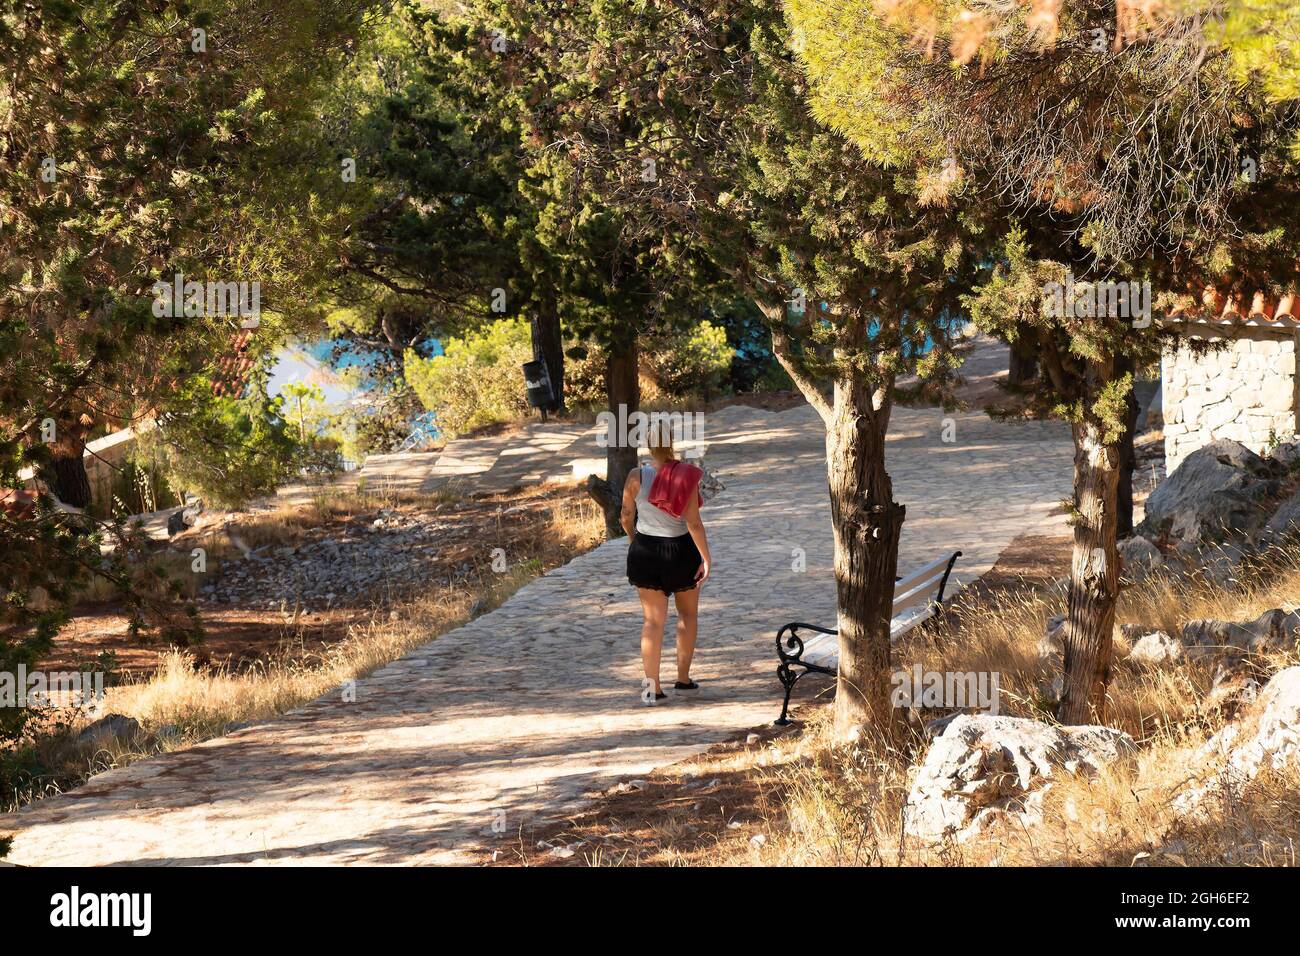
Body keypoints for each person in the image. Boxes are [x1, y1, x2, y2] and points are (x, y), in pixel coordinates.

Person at [620, 422, 711, 704]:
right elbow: (693, 522)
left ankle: (652, 688)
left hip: (645, 551)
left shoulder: (636, 476)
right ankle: (683, 679)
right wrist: (706, 559)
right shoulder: (686, 475)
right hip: (681, 552)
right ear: (671, 443)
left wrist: (633, 538)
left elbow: (625, 515)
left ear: (648, 446)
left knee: (652, 621)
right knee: (687, 616)